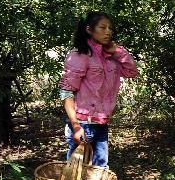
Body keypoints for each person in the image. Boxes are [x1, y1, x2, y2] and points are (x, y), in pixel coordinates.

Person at [59, 11, 138, 166]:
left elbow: (132, 71)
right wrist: (75, 126)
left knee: (99, 170)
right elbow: (66, 92)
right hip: (83, 123)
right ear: (89, 29)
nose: (108, 31)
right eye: (102, 27)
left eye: (110, 28)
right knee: (75, 171)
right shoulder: (80, 55)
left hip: (101, 123)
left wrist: (117, 51)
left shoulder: (111, 57)